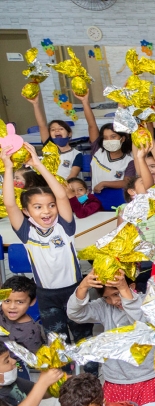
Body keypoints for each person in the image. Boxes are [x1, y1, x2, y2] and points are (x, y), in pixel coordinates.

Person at [2, 142, 92, 346]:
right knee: (57, 346)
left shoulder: (64, 226)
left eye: (51, 206)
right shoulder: (26, 231)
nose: (46, 211)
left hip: (75, 291)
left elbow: (61, 195)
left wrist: (38, 164)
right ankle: (65, 376)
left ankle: (89, 375)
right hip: (46, 295)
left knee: (84, 342)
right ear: (26, 211)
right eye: (38, 207)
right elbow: (9, 203)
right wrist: (8, 167)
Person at [67, 270, 155, 406]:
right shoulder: (105, 307)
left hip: (147, 379)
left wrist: (125, 291)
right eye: (107, 297)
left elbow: (139, 319)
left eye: (116, 294)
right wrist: (83, 286)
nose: (113, 301)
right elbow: (75, 313)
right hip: (115, 380)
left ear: (131, 286)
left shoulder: (146, 302)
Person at [25, 91, 83, 179]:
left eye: (61, 129)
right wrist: (35, 104)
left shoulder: (76, 154)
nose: (56, 131)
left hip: (65, 188)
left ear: (69, 133)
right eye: (53, 129)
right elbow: (42, 125)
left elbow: (73, 175)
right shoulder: (49, 147)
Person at [0, 276, 43, 354]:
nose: (12, 307)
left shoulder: (31, 331)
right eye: (7, 301)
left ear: (32, 302)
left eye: (19, 302)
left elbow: (31, 361)